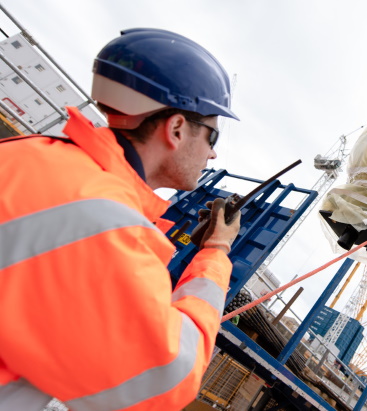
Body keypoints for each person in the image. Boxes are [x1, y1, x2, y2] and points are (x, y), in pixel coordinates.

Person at [0, 28, 242, 410]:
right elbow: (166, 379)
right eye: (212, 137)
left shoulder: (27, 154)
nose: (212, 155)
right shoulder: (105, 223)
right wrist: (216, 250)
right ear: (177, 128)